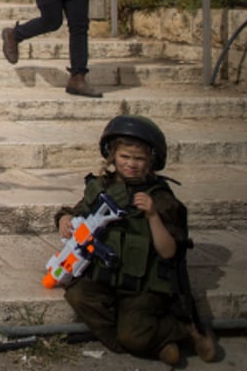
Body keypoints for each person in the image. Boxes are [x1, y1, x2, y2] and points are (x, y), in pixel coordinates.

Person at [54, 116, 217, 366]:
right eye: (124, 157)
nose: (131, 164)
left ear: (151, 160)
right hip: (105, 276)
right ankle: (154, 346)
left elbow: (169, 251)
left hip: (143, 286)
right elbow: (79, 211)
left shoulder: (160, 198)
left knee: (133, 336)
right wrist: (65, 218)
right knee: (78, 296)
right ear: (112, 156)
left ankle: (185, 331)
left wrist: (152, 215)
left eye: (139, 159)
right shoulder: (102, 187)